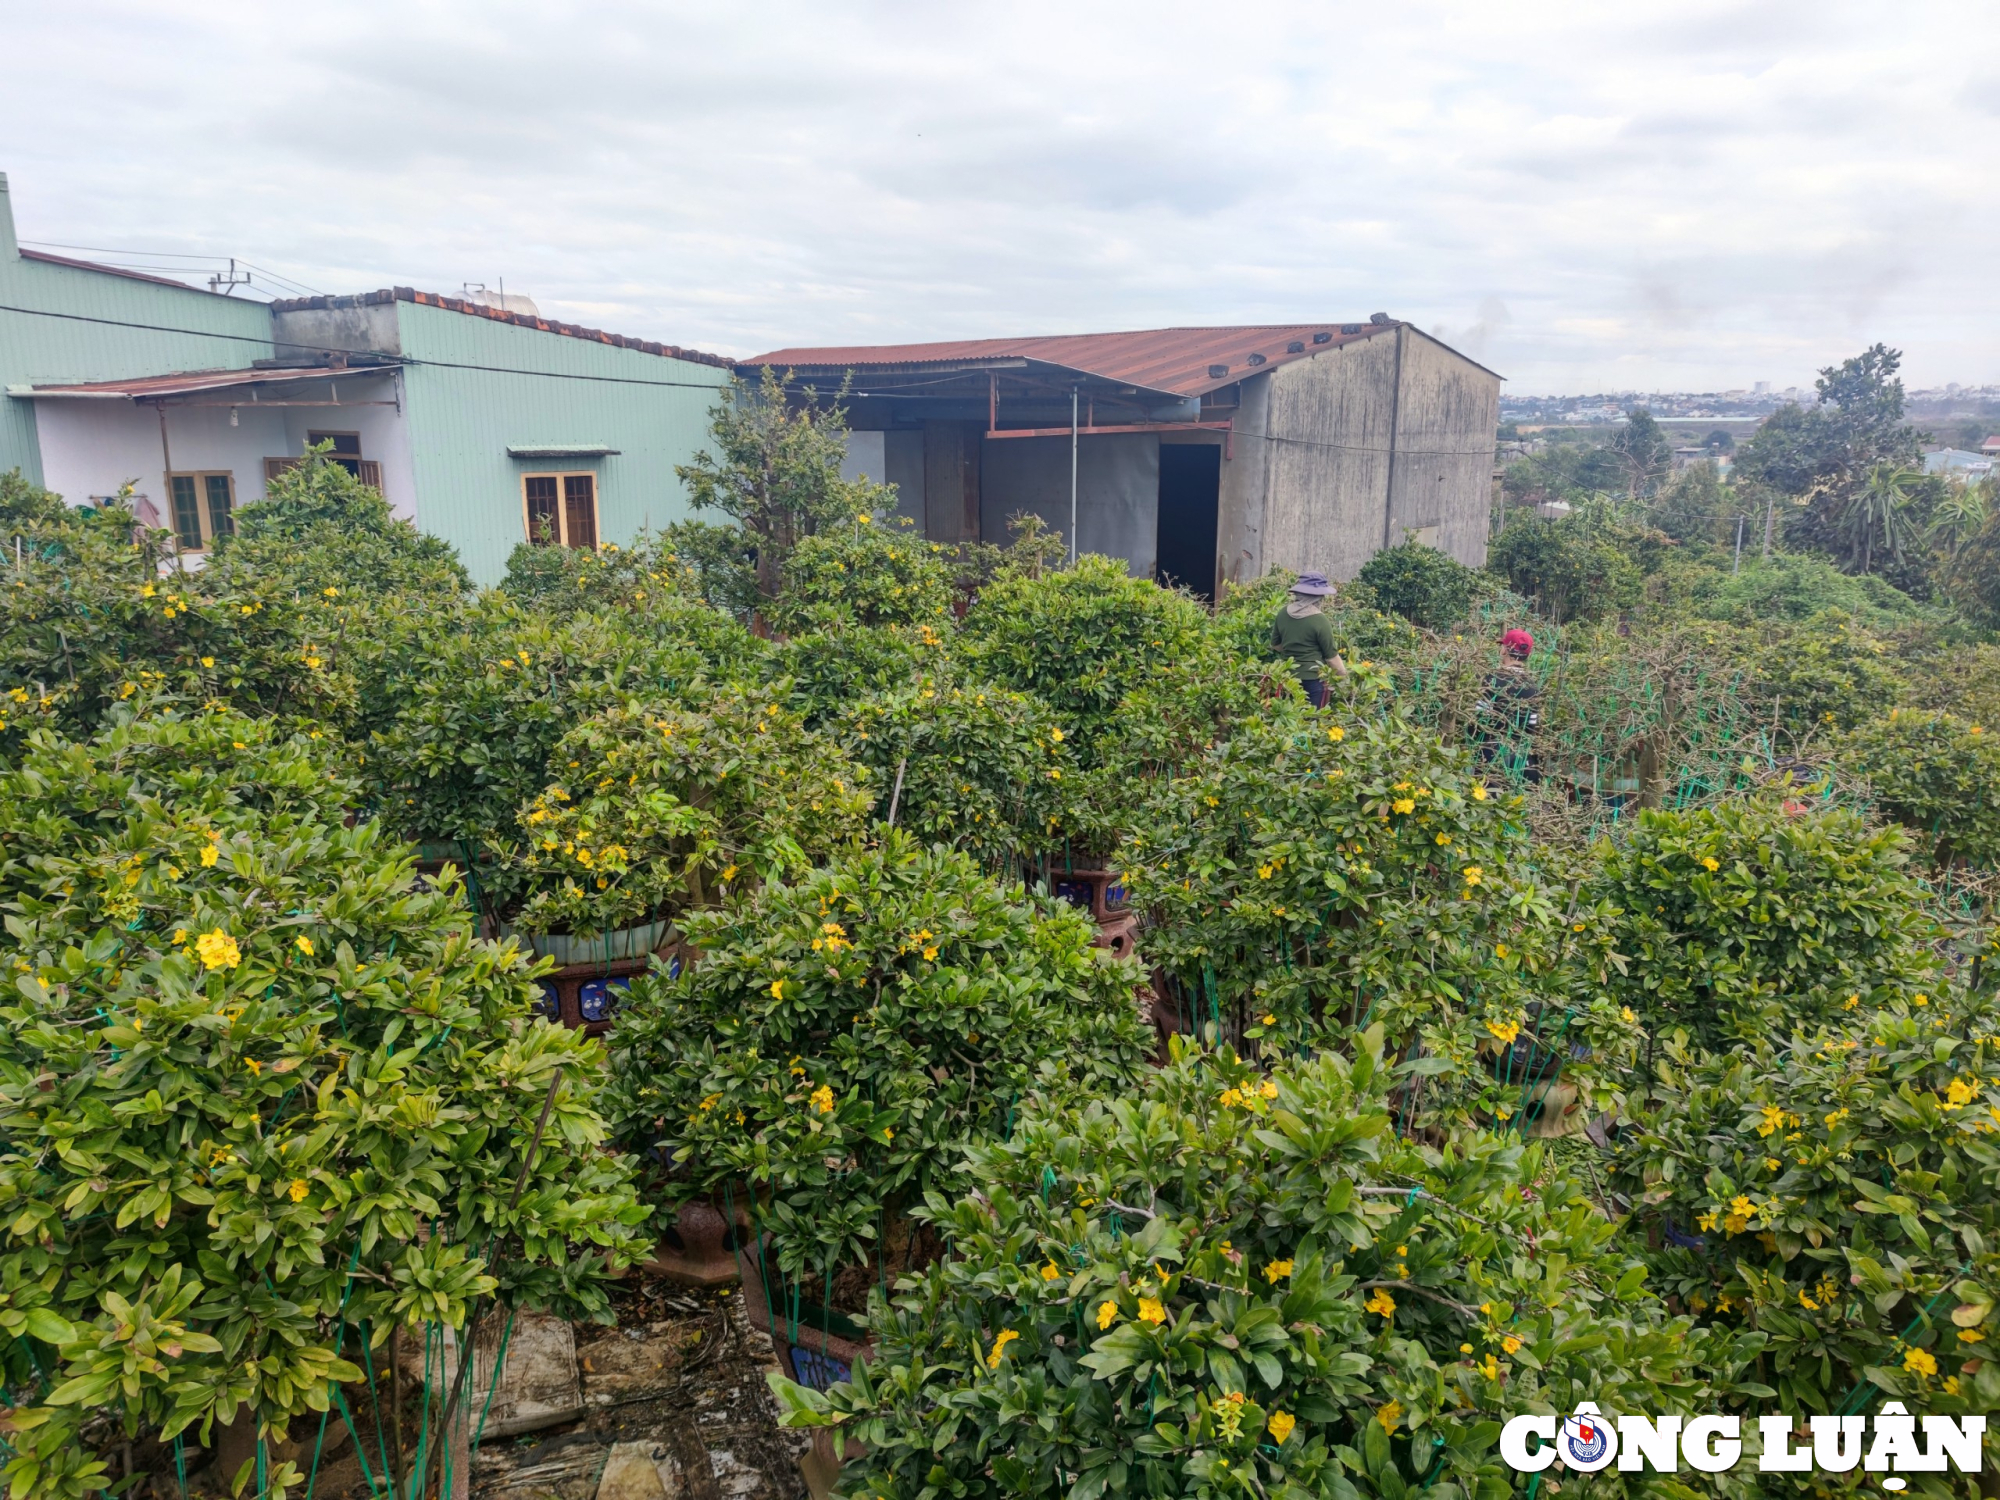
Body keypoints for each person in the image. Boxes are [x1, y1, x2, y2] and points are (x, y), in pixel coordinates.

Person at [1269, 572, 1347, 707]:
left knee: (1291, 719)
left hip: (1288, 678)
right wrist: (1345, 678)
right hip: (1314, 680)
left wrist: (1294, 650)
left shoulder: (1283, 613)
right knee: (1313, 721)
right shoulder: (1320, 620)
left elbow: (1275, 645)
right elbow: (1331, 657)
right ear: (1318, 597)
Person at [1475, 628, 1542, 783]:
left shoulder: (1492, 680)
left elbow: (1479, 718)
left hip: (1490, 753)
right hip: (1518, 756)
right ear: (1528, 655)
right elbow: (1532, 727)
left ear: (1505, 650)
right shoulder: (1533, 688)